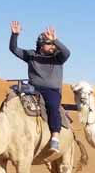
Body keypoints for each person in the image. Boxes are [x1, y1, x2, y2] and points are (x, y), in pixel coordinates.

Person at [9, 21, 70, 152]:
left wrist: (56, 40)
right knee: (12, 96)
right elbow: (14, 49)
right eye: (49, 44)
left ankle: (55, 136)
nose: (53, 46)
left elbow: (67, 53)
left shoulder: (58, 58)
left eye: (53, 44)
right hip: (32, 88)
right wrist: (15, 35)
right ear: (41, 45)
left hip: (51, 91)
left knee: (53, 106)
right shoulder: (31, 55)